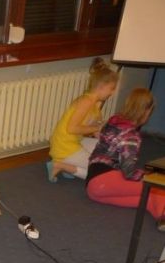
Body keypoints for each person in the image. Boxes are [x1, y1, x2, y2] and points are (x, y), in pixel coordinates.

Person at [86, 88, 165, 228]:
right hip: (105, 181)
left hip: (92, 186)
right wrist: (149, 176)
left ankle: (162, 218)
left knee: (146, 199)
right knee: (156, 186)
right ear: (146, 111)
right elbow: (128, 172)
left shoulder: (114, 120)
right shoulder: (131, 135)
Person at [48, 57, 119, 182]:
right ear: (102, 86)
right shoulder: (85, 101)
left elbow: (96, 133)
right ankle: (59, 165)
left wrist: (112, 141)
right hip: (64, 146)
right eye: (111, 88)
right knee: (99, 172)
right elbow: (72, 129)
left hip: (75, 142)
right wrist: (97, 127)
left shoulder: (96, 105)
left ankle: (68, 166)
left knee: (108, 152)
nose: (112, 92)